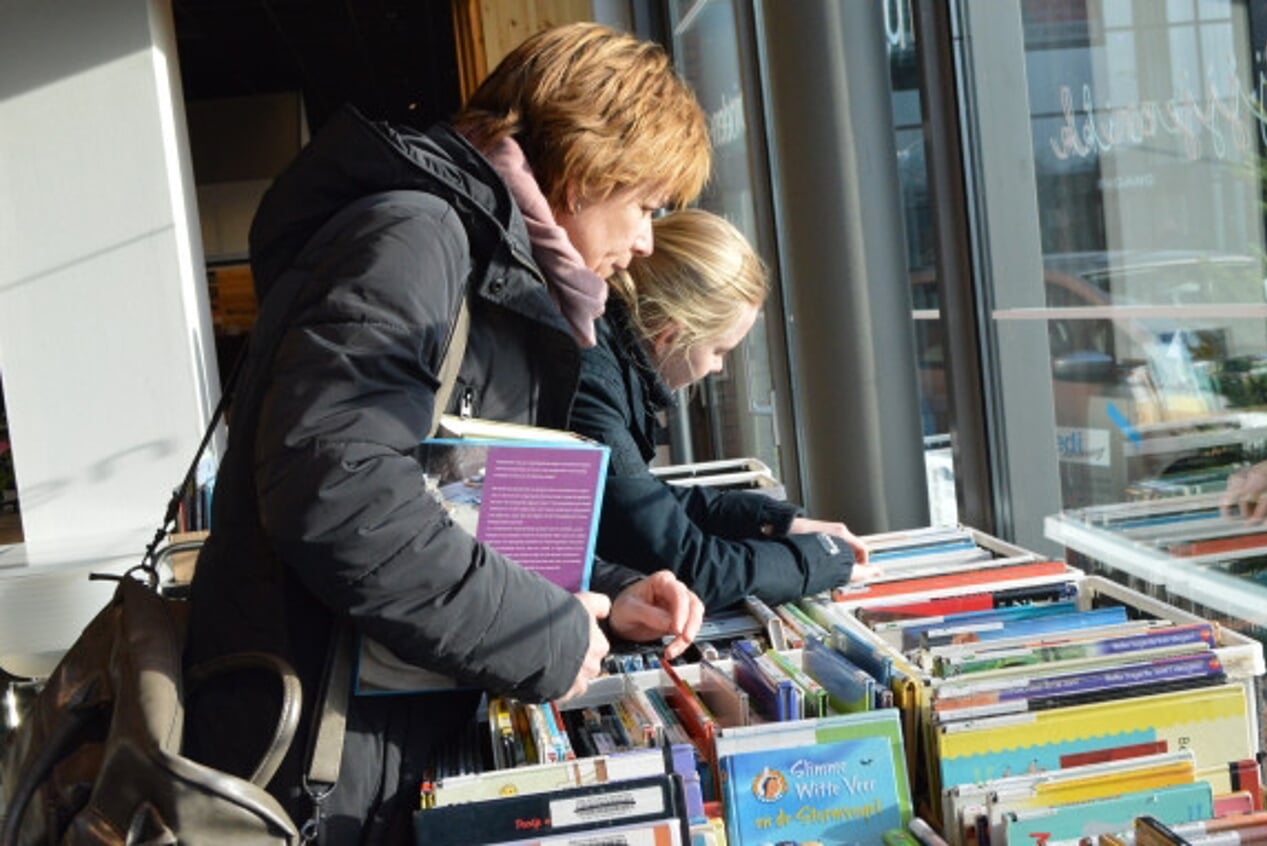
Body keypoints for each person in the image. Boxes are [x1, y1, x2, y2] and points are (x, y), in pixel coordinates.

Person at [184, 23, 710, 844]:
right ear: (583, 170)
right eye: (643, 205)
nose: (644, 242)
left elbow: (451, 507)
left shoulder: (477, 260)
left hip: (356, 745)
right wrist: (546, 633)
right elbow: (343, 497)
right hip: (318, 769)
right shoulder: (417, 240)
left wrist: (607, 598)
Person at [569, 209, 877, 610]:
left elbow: (640, 501)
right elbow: (692, 567)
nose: (717, 368)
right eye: (719, 351)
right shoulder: (591, 380)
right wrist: (821, 559)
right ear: (670, 336)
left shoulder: (601, 358)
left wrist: (773, 523)